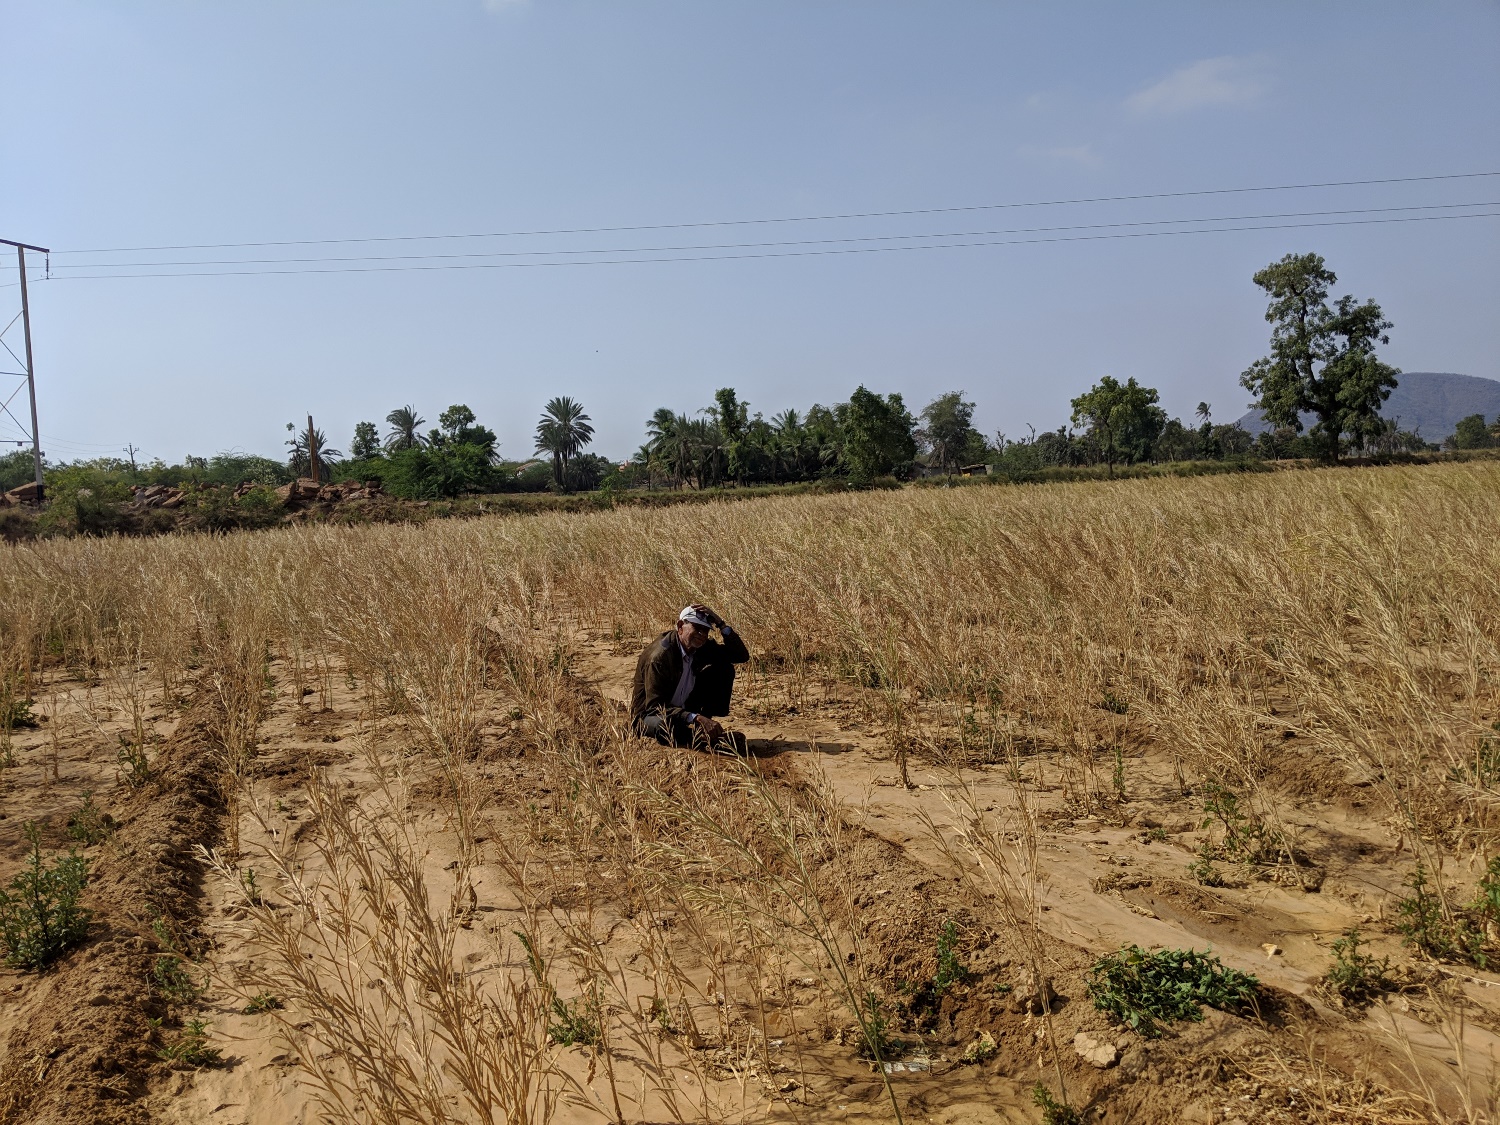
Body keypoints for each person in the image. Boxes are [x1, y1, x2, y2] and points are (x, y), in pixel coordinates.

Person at [630, 604, 749, 750]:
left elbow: (740, 656)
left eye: (705, 631)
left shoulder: (699, 647)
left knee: (724, 668)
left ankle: (704, 727)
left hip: (683, 708)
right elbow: (654, 707)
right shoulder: (659, 657)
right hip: (650, 716)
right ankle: (704, 740)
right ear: (681, 626)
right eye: (697, 628)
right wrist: (694, 717)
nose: (701, 634)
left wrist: (721, 624)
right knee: (663, 726)